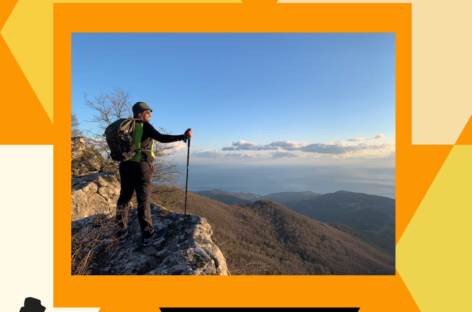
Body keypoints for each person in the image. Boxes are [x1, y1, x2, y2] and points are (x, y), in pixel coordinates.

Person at [115, 101, 192, 246]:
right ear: (140, 114)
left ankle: (119, 233)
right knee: (143, 200)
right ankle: (148, 235)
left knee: (124, 198)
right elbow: (161, 138)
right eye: (148, 112)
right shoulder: (143, 125)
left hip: (125, 166)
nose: (150, 114)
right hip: (141, 167)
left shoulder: (124, 127)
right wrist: (183, 136)